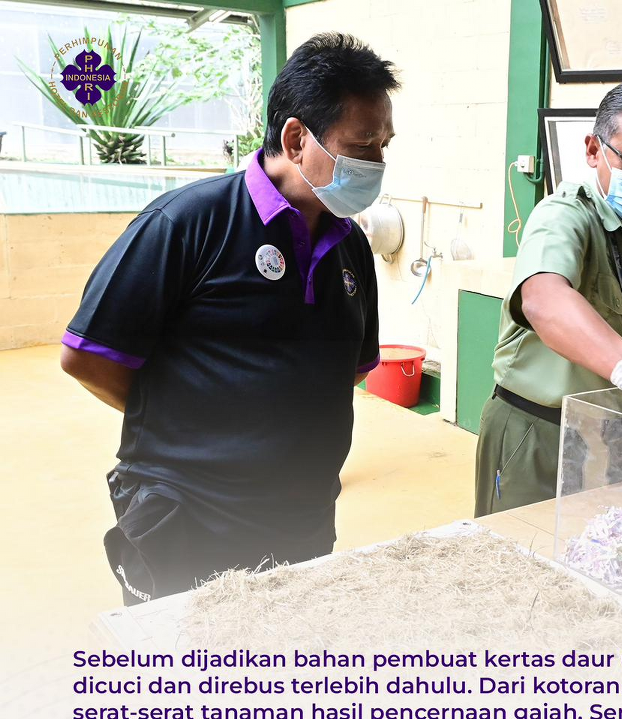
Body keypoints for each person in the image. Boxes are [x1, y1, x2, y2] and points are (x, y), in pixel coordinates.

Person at [60, 33, 398, 604]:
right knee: (185, 655)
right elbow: (89, 357)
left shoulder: (351, 246)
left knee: (284, 649)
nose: (377, 164)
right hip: (188, 518)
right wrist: (192, 423)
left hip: (303, 518)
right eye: (363, 145)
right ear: (296, 139)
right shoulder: (187, 223)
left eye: (384, 145)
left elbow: (352, 369)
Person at [475, 78, 622, 517]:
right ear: (594, 150)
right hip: (539, 434)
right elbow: (543, 298)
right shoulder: (565, 216)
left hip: (618, 439)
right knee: (522, 551)